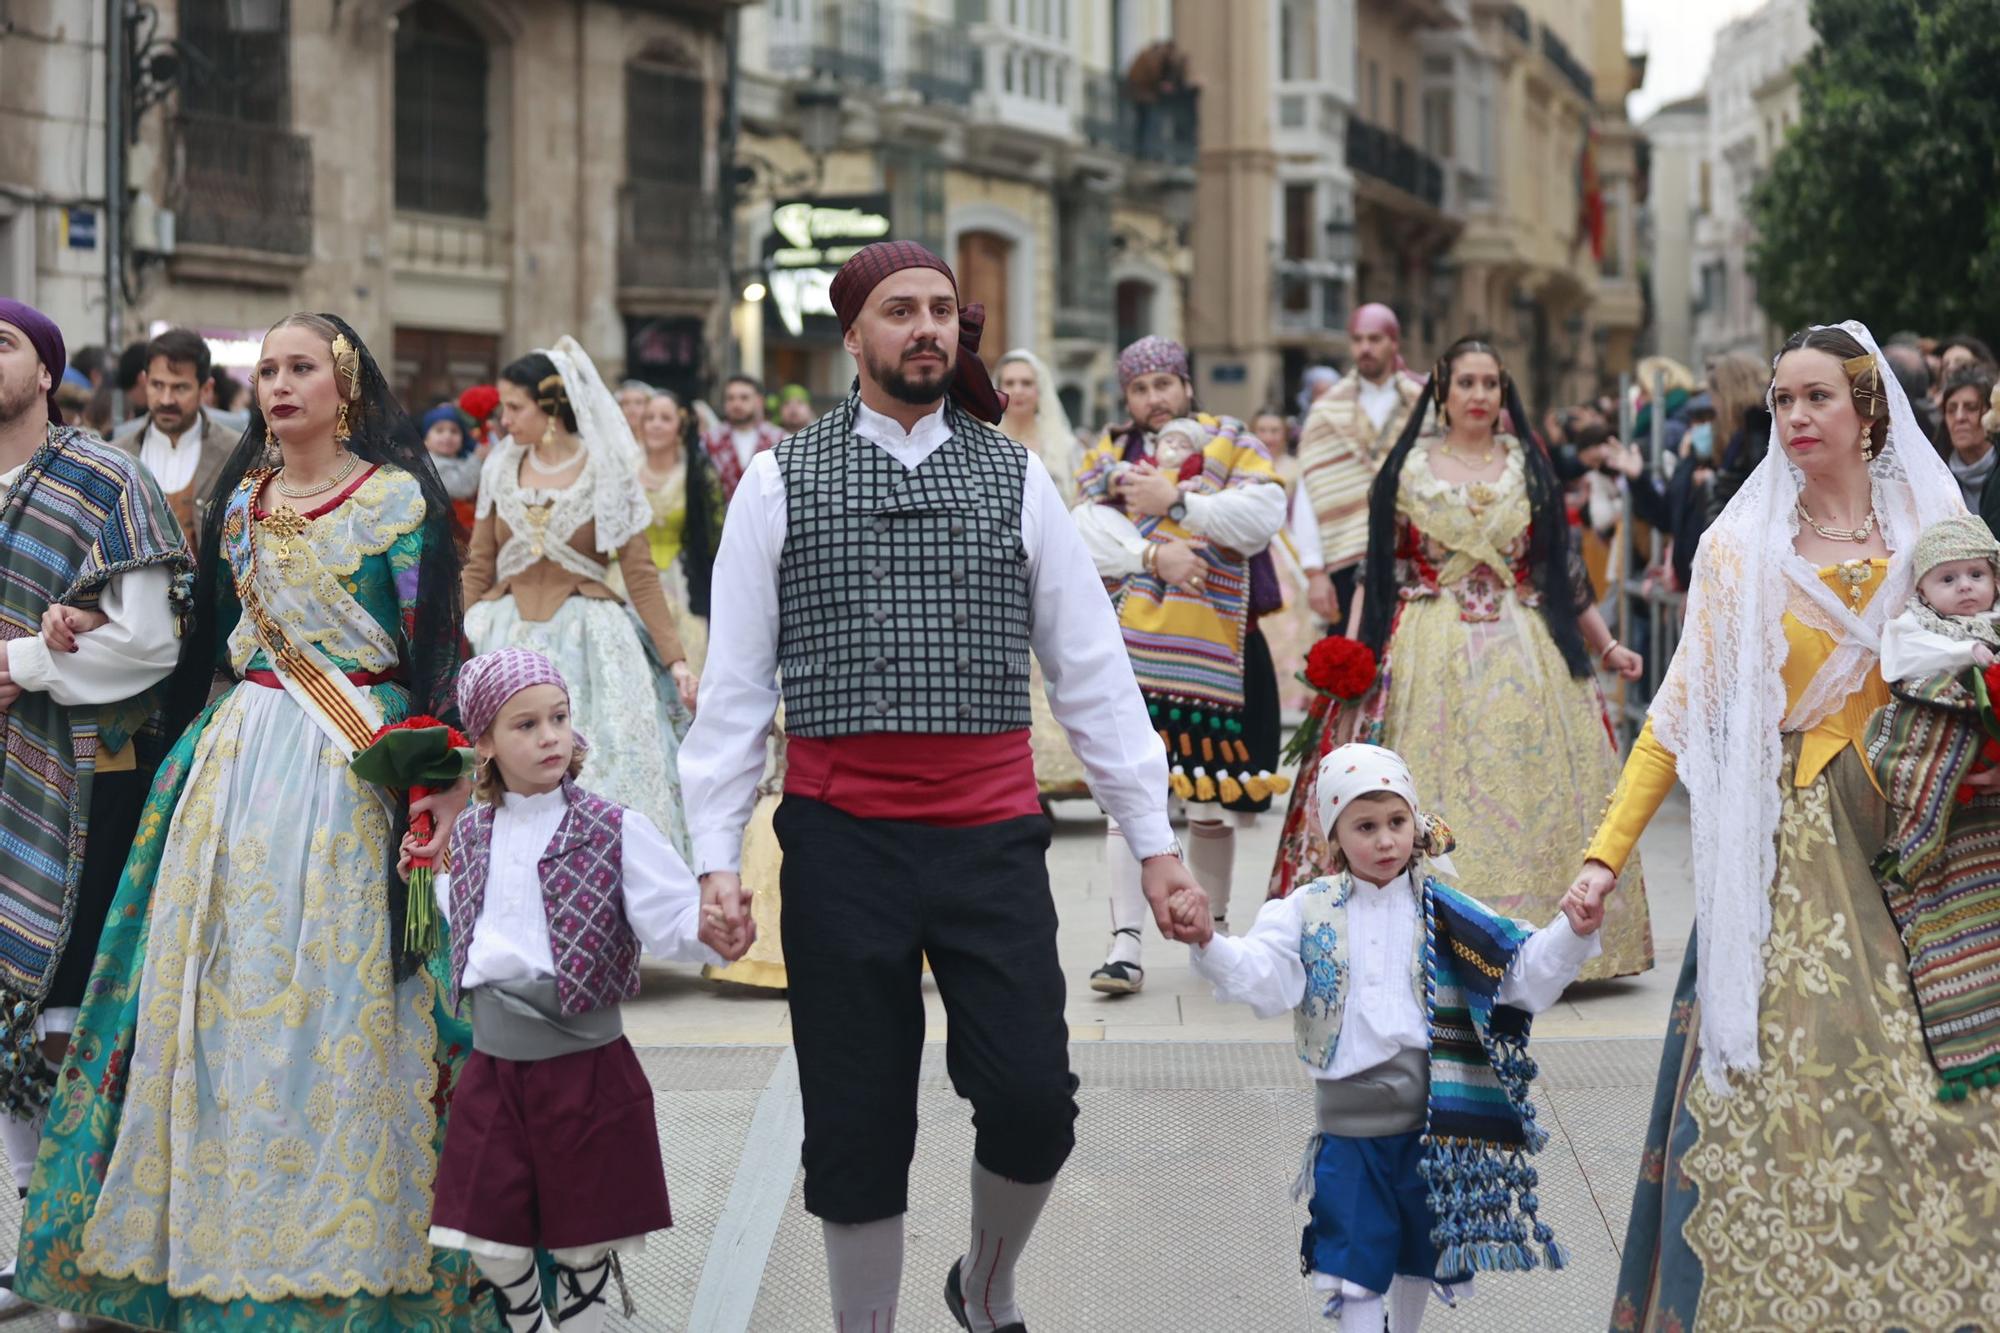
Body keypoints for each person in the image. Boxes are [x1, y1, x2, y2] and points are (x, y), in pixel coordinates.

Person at [680, 240, 1202, 1333]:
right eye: (896, 309)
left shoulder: (1015, 476)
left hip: (988, 835)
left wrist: (1151, 842)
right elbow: (732, 694)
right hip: (837, 838)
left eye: (938, 309)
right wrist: (714, 859)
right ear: (852, 336)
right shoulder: (778, 479)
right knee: (856, 1118)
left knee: (1029, 1103)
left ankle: (987, 1283)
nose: (922, 326)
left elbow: (1092, 675)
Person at [14, 311, 497, 1330]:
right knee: (215, 1012)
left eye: (301, 367)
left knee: (341, 1011)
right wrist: (81, 622)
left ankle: (354, 1257)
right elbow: (195, 647)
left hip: (352, 772)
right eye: (268, 369)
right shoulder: (238, 504)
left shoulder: (400, 502)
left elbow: (436, 651)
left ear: (347, 384)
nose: (280, 385)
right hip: (233, 768)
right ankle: (211, 1245)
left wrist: (442, 779)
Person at [1568, 322, 2000, 1329]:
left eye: (1816, 398)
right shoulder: (1737, 548)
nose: (1796, 417)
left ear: (1867, 411)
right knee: (1792, 1103)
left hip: (1924, 842)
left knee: (1942, 1088)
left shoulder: (1934, 533)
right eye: (1781, 400)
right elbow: (1671, 719)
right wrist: (1601, 857)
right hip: (1787, 851)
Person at [1268, 336, 1655, 984]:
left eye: (1491, 384)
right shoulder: (1408, 468)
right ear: (1441, 394)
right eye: (1467, 383)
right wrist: (1352, 651)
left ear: (1504, 395)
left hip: (1524, 645)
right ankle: (1418, 936)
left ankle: (1537, 944)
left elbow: (1558, 566)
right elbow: (1376, 568)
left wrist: (1607, 643)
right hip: (1427, 643)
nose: (1480, 395)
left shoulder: (1527, 465)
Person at [1184, 743, 1601, 1332]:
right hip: (1349, 1134)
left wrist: (1574, 932)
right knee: (1351, 1262)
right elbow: (1265, 978)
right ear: (1334, 837)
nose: (1385, 841)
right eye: (1366, 826)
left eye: (1397, 823)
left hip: (1429, 1127)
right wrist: (1209, 944)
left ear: (1415, 824)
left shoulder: (1446, 914)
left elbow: (1520, 973)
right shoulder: (1304, 911)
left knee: (1417, 1255)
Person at [424, 648, 728, 1333]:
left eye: (558, 717)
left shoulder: (612, 829)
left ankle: (587, 1304)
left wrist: (710, 929)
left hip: (585, 1064)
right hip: (497, 1066)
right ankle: (527, 1316)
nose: (550, 736)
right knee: (491, 1235)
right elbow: (458, 907)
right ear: (485, 744)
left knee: (583, 1237)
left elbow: (672, 914)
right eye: (525, 725)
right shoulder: (472, 833)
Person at [0, 301, 191, 1328]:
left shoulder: (106, 483)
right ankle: (38, 1242)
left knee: (69, 1015)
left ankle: (87, 1248)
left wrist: (23, 661)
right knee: (1, 1023)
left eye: (1, 342)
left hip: (81, 780)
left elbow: (149, 645)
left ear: (47, 370)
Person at [1076, 336, 1289, 991]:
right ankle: (1126, 944)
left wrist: (1178, 503)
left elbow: (1262, 514)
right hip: (1132, 652)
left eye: (1164, 383)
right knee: (1127, 802)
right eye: (1139, 388)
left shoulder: (1232, 442)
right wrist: (1154, 558)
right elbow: (1080, 530)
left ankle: (1213, 937)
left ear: (1188, 386)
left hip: (1216, 652)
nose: (1153, 398)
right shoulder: (1108, 458)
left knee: (1210, 804)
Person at [463, 340, 699, 854]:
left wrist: (675, 659)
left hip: (591, 638)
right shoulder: (501, 467)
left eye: (515, 407)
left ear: (550, 410)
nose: (505, 420)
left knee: (603, 770)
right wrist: (461, 640)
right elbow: (479, 563)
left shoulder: (606, 470)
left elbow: (638, 574)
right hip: (503, 634)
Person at [1294, 305, 1427, 627]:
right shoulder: (1326, 411)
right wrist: (1314, 571)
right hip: (1346, 561)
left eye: (1375, 338)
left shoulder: (1424, 404)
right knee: (1352, 668)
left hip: (1418, 560)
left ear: (1394, 343)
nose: (1365, 348)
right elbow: (1309, 492)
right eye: (1357, 339)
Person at [109, 327, 241, 550]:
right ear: (145, 381)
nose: (166, 399)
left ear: (206, 389)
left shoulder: (235, 452)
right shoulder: (117, 453)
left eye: (180, 388)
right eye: (157, 385)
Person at [636, 388, 723, 669]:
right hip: (631, 579)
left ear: (680, 425)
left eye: (665, 418)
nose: (656, 425)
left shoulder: (697, 473)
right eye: (649, 418)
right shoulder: (626, 470)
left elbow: (715, 536)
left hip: (684, 581)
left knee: (690, 657)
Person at [703, 373, 784, 503]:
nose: (736, 404)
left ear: (759, 401)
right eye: (730, 398)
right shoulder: (709, 440)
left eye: (744, 398)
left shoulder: (779, 439)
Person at [1937, 363, 1997, 509]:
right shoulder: (1936, 478)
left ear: (1991, 414)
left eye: (1971, 408)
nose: (1959, 417)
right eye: (1951, 409)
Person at [423, 402, 484, 535]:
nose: (447, 436)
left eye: (454, 431)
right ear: (425, 440)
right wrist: (477, 459)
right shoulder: (431, 464)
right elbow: (464, 489)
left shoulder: (462, 459)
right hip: (447, 533)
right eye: (439, 430)